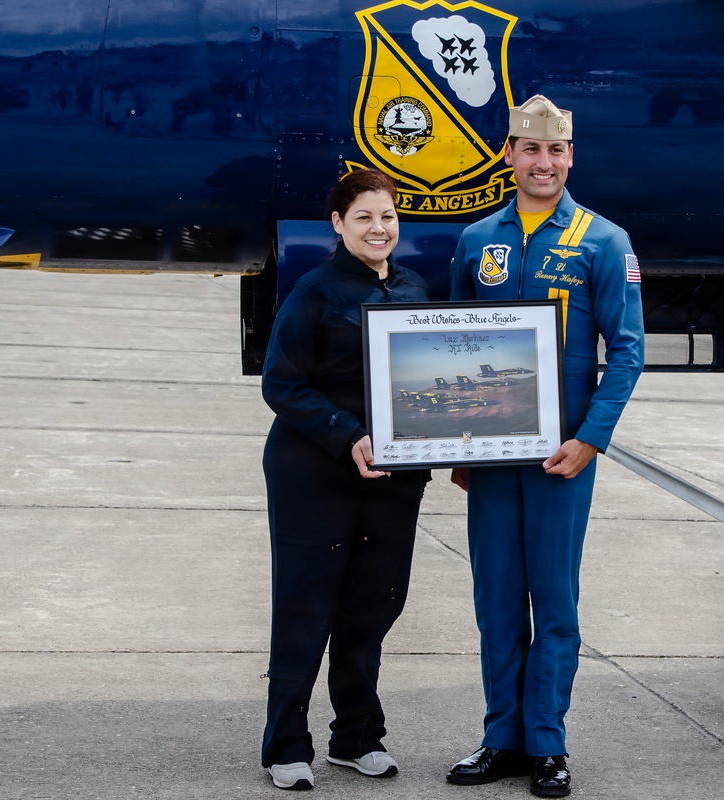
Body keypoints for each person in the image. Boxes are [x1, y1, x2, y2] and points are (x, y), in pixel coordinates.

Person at [445, 95, 644, 797]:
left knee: (554, 604)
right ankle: (501, 740)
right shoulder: (476, 241)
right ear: (508, 154)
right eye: (531, 150)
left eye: (556, 151)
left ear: (571, 157)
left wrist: (590, 440)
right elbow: (453, 347)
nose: (544, 163)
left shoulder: (603, 241)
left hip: (563, 460)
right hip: (493, 460)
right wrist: (457, 446)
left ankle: (548, 745)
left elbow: (626, 352)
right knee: (496, 602)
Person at [260, 169, 431, 790]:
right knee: (306, 606)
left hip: (391, 477)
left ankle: (357, 738)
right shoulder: (314, 290)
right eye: (363, 217)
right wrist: (346, 433)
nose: (378, 228)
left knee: (373, 605)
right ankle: (286, 746)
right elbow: (281, 383)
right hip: (315, 468)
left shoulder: (415, 290)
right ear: (337, 224)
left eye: (386, 216)